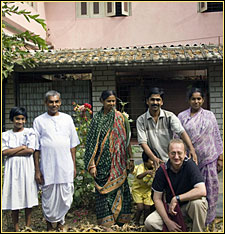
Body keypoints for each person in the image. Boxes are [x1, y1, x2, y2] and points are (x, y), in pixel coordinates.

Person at [84, 90, 133, 229]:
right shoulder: (97, 119)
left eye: (113, 101)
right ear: (102, 101)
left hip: (119, 164)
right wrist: (92, 164)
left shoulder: (121, 118)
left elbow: (127, 140)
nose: (111, 104)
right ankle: (106, 223)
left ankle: (121, 221)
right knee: (102, 195)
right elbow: (91, 143)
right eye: (108, 101)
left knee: (120, 191)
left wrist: (130, 159)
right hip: (101, 165)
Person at [33, 90, 80, 231]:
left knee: (65, 195)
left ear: (60, 102)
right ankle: (49, 223)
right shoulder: (39, 121)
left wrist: (74, 165)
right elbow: (36, 148)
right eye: (51, 102)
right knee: (48, 194)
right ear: (46, 103)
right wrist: (37, 170)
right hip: (47, 165)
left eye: (56, 101)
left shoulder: (67, 119)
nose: (54, 104)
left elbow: (72, 145)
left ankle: (61, 222)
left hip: (65, 165)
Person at [177, 87, 223, 228]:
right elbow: (177, 137)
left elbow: (216, 136)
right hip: (189, 162)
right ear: (189, 100)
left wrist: (220, 157)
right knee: (192, 191)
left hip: (209, 160)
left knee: (210, 191)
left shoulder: (209, 115)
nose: (196, 101)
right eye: (193, 99)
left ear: (203, 100)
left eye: (199, 98)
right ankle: (192, 219)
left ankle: (209, 222)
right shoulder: (181, 117)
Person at [145, 139, 208, 232]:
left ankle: (195, 229)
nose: (176, 157)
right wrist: (168, 222)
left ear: (185, 153)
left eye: (179, 153)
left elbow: (202, 190)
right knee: (150, 222)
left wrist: (177, 198)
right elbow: (157, 198)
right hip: (171, 209)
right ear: (168, 154)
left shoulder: (190, 166)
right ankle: (178, 227)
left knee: (198, 204)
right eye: (173, 153)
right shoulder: (162, 170)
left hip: (188, 206)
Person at [136, 87, 197, 169]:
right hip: (155, 162)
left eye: (158, 100)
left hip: (171, 160)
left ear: (162, 102)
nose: (155, 102)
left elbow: (181, 132)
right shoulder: (141, 120)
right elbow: (143, 142)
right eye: (152, 100)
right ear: (147, 101)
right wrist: (154, 158)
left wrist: (191, 149)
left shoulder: (169, 116)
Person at [2, 107, 38, 232]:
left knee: (27, 194)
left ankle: (28, 226)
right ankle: (16, 227)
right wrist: (21, 147)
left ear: (25, 120)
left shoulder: (30, 132)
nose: (20, 121)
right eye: (17, 119)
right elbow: (4, 152)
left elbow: (30, 151)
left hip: (26, 167)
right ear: (12, 119)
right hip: (12, 169)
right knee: (14, 195)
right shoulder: (6, 135)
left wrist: (13, 151)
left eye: (22, 119)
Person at [131, 151, 155, 226]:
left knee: (147, 208)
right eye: (151, 160)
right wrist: (147, 172)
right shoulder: (141, 167)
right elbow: (139, 176)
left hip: (147, 191)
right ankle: (136, 222)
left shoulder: (154, 168)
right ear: (145, 162)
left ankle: (145, 223)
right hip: (138, 190)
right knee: (140, 208)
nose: (153, 162)